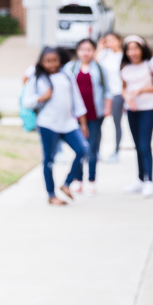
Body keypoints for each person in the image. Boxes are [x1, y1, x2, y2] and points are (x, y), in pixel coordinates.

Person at [21, 46, 89, 205]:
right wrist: (41, 98)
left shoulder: (67, 75)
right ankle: (51, 194)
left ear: (60, 60)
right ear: (41, 62)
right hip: (48, 123)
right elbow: (26, 101)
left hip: (69, 123)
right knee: (49, 159)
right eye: (47, 61)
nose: (51, 64)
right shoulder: (37, 78)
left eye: (54, 60)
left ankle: (67, 183)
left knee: (83, 150)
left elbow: (77, 101)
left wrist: (83, 123)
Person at [63, 38, 110, 194]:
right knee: (79, 148)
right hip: (75, 116)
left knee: (92, 147)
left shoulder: (100, 69)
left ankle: (91, 179)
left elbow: (108, 90)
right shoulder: (70, 68)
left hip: (94, 114)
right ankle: (78, 179)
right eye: (82, 49)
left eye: (89, 49)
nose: (85, 53)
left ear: (94, 51)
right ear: (77, 51)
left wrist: (107, 108)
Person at [120, 35, 153, 198]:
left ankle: (150, 180)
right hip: (132, 110)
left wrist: (141, 90)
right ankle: (140, 179)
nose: (132, 53)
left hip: (148, 108)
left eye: (135, 49)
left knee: (144, 144)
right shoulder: (124, 67)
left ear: (142, 49)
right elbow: (123, 88)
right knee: (136, 145)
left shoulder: (150, 65)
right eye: (129, 49)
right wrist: (127, 97)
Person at [96, 33, 126, 163]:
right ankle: (96, 151)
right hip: (105, 94)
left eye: (112, 40)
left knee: (116, 123)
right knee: (98, 123)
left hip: (118, 93)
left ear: (119, 41)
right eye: (107, 41)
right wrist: (100, 47)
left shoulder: (124, 56)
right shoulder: (104, 54)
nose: (110, 43)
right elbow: (94, 63)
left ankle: (116, 151)